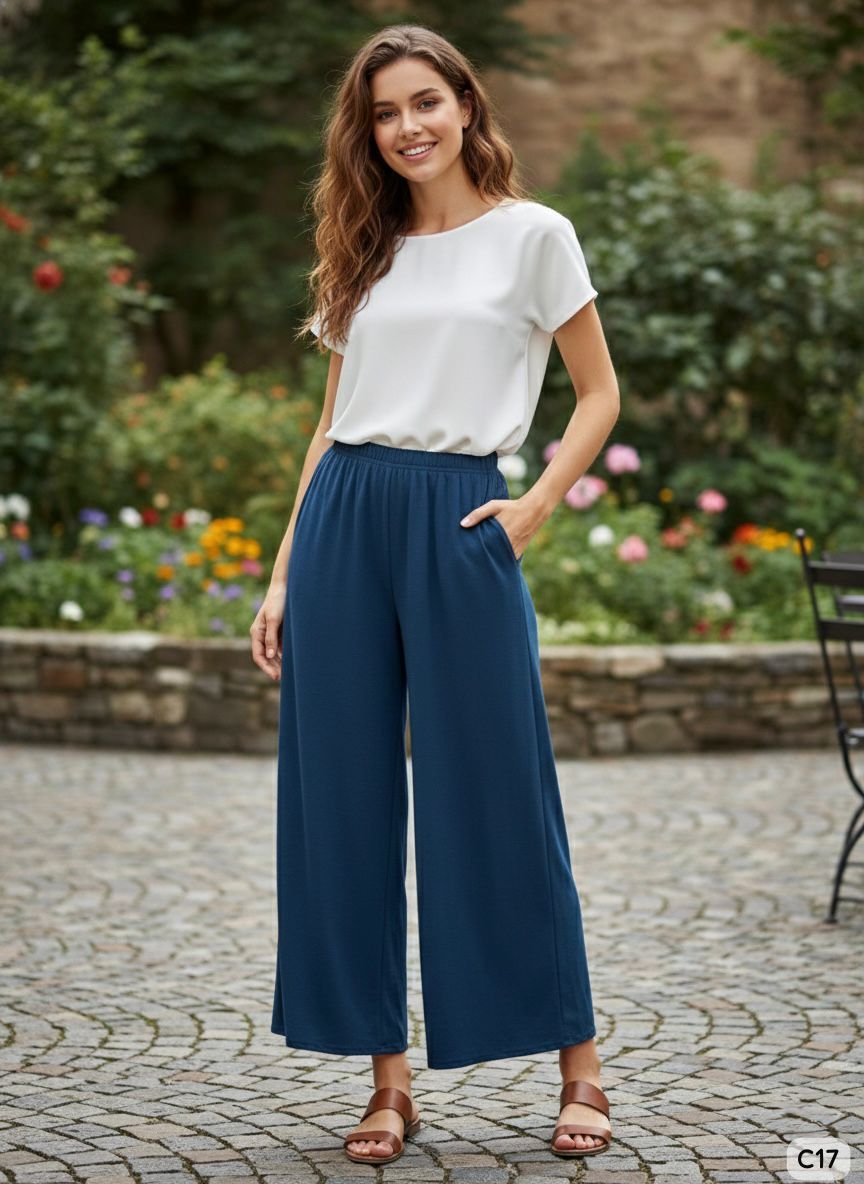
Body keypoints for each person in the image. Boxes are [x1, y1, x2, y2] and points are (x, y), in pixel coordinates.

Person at [250, 22, 621, 1168]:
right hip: (343, 520)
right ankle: (388, 1082)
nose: (406, 127)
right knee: (344, 802)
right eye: (382, 113)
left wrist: (538, 502)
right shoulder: (365, 248)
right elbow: (329, 422)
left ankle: (579, 1061)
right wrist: (280, 572)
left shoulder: (533, 237)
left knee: (502, 785)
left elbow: (600, 393)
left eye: (424, 102)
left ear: (465, 103)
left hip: (463, 516)